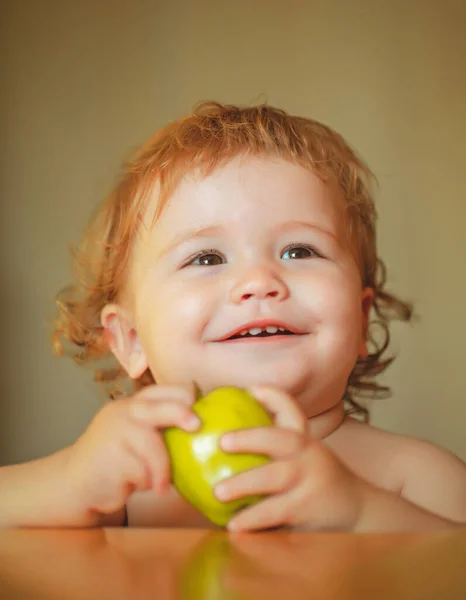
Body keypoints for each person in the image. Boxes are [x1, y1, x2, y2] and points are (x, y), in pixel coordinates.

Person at [1, 101, 465, 531]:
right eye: (205, 258)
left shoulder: (414, 478)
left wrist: (361, 511)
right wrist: (68, 483)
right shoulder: (131, 482)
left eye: (300, 250)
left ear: (361, 320)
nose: (259, 280)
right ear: (130, 339)